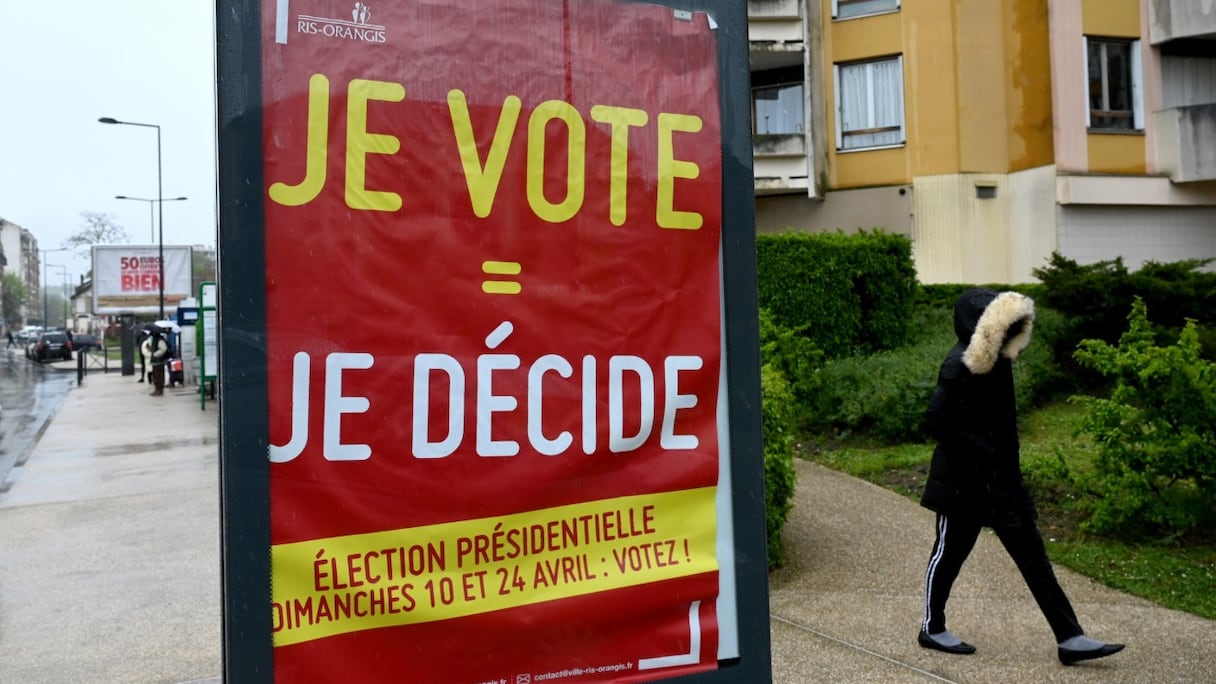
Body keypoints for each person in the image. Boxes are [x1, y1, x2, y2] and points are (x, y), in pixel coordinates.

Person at [918, 288, 1125, 666]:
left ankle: (1070, 637)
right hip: (962, 483)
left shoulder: (999, 362)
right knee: (949, 555)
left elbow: (1004, 430)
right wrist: (982, 453)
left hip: (1000, 483)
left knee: (1033, 556)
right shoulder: (959, 364)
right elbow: (935, 421)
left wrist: (1012, 480)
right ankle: (932, 627)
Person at [141, 328, 170, 396]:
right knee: (156, 376)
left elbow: (163, 349)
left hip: (158, 361)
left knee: (158, 376)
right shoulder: (155, 339)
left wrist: (155, 354)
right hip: (155, 361)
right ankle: (157, 389)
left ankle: (159, 389)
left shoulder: (159, 340)